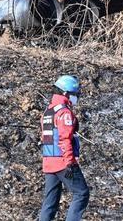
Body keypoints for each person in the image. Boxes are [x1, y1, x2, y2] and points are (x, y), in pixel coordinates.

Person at [39, 75, 89, 221]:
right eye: (75, 94)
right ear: (66, 93)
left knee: (50, 203)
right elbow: (64, 138)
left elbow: (46, 138)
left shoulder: (48, 111)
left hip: (49, 163)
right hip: (63, 163)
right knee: (81, 193)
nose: (77, 97)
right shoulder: (64, 113)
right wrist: (70, 162)